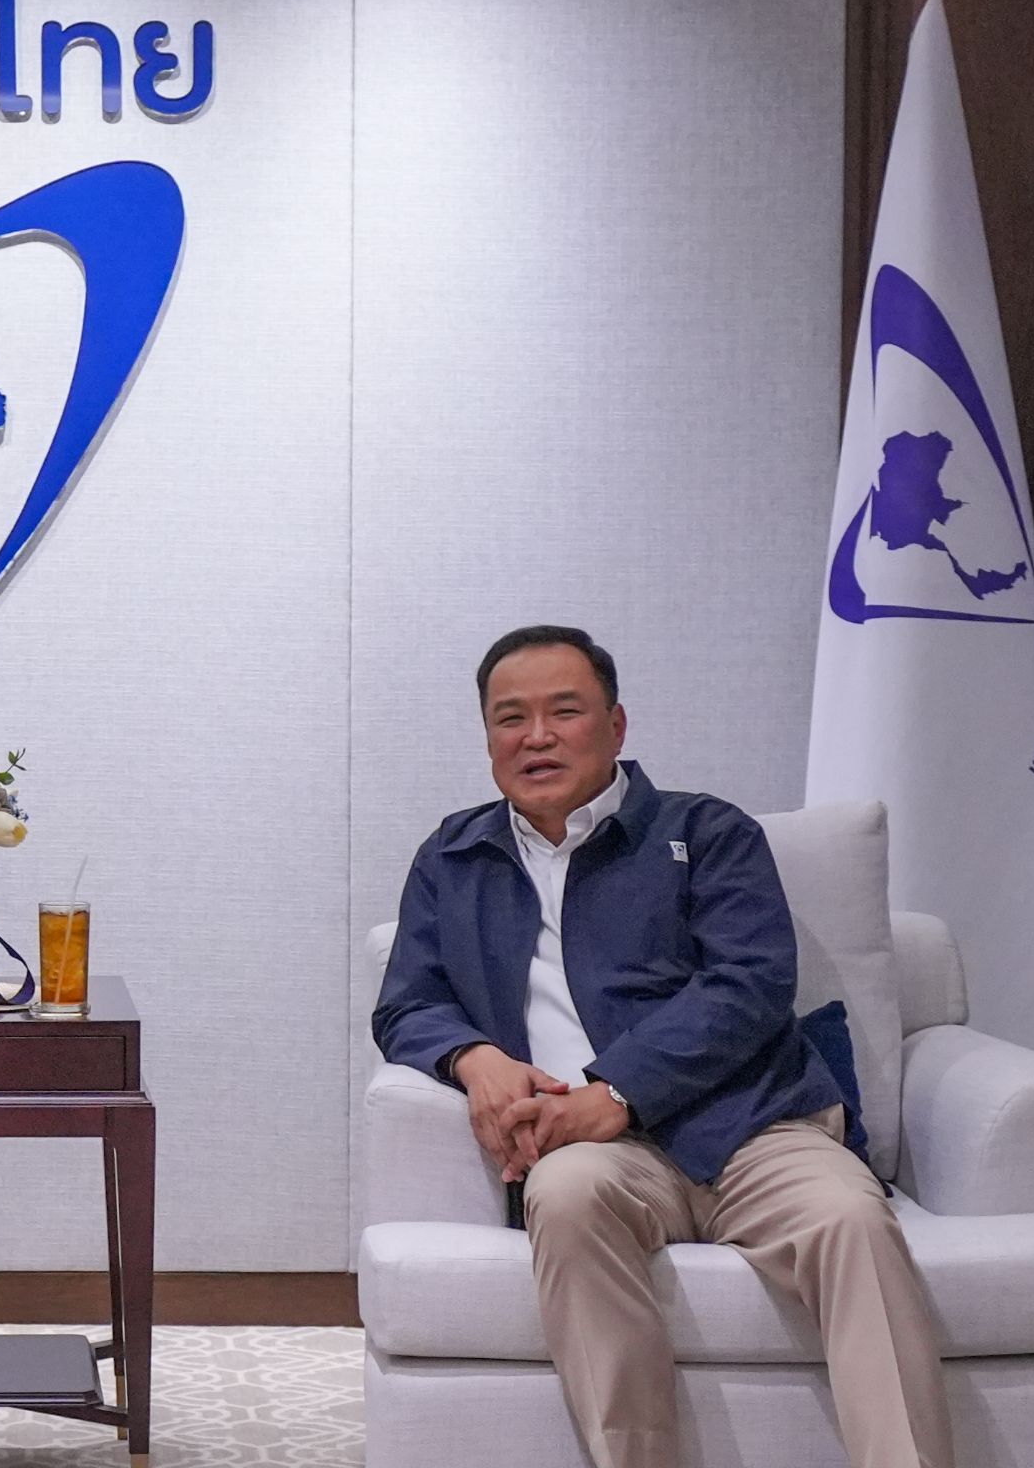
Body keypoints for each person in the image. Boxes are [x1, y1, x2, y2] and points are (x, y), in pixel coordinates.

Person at [372, 625, 949, 1468]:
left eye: (565, 711)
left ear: (616, 725)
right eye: (511, 718)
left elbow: (749, 984)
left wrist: (617, 1092)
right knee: (564, 1197)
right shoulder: (454, 857)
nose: (537, 736)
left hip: (754, 1128)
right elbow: (407, 1003)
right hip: (597, 1159)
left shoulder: (706, 831)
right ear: (488, 737)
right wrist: (473, 1057)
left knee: (852, 1220)